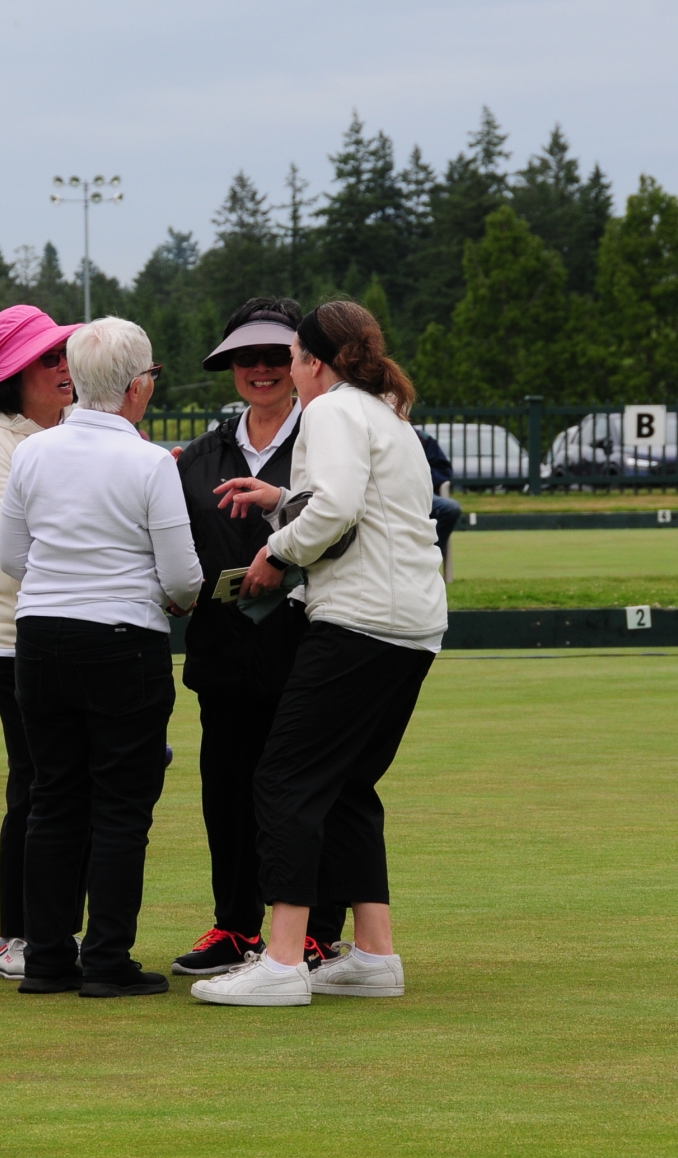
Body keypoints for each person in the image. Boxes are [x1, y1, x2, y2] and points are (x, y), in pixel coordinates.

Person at [193, 300, 445, 1007]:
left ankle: (281, 962)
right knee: (348, 785)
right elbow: (364, 508)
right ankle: (374, 955)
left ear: (311, 361)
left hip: (358, 620)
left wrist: (275, 552)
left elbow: (334, 510)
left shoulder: (330, 409)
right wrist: (283, 499)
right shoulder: (387, 413)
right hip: (413, 623)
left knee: (285, 778)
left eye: (293, 358)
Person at [0, 316, 202, 999]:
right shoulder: (149, 461)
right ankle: (107, 960)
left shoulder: (33, 452)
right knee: (120, 806)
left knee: (53, 799)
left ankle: (48, 958)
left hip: (41, 637)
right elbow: (182, 578)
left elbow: (13, 557)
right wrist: (163, 596)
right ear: (138, 386)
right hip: (123, 640)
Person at [171, 297, 341, 976]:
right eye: (248, 357)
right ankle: (236, 926)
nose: (262, 369)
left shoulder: (328, 440)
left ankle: (316, 931)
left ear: (301, 362)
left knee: (305, 793)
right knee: (226, 791)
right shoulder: (198, 456)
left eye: (277, 356)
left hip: (312, 650)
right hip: (223, 653)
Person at [0, 305, 77, 979]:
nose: (63, 366)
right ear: (12, 375)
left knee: (64, 779)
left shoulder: (75, 424)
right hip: (10, 635)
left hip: (72, 625)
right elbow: (21, 542)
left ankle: (54, 931)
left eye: (63, 353)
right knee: (36, 778)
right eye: (46, 358)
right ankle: (16, 937)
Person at [418, 427, 460, 557]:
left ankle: (429, 557)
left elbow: (442, 469)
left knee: (450, 508)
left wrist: (421, 479)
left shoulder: (422, 438)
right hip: (386, 496)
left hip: (422, 493)